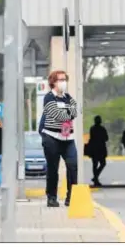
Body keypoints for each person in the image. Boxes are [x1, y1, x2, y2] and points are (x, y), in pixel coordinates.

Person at [40, 70, 78, 207]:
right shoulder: (49, 98)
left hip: (68, 139)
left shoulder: (68, 97)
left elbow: (75, 111)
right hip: (51, 137)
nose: (63, 82)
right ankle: (51, 197)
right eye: (60, 80)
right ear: (53, 82)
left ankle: (71, 197)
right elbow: (56, 114)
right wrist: (68, 113)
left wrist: (67, 113)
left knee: (73, 165)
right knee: (53, 168)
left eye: (64, 79)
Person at [88, 115, 109, 186]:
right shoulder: (102, 129)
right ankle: (95, 177)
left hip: (94, 149)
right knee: (103, 163)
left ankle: (95, 178)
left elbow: (91, 138)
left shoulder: (92, 128)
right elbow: (106, 138)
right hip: (101, 149)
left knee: (95, 164)